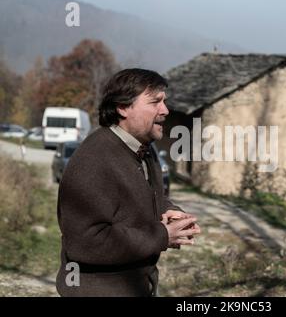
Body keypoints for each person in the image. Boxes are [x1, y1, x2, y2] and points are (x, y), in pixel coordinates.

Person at [56, 68, 201, 297]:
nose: (165, 110)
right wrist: (161, 236)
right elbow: (86, 242)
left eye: (164, 101)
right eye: (155, 102)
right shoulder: (94, 159)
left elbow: (145, 197)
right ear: (123, 108)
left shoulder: (144, 149)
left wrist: (172, 213)